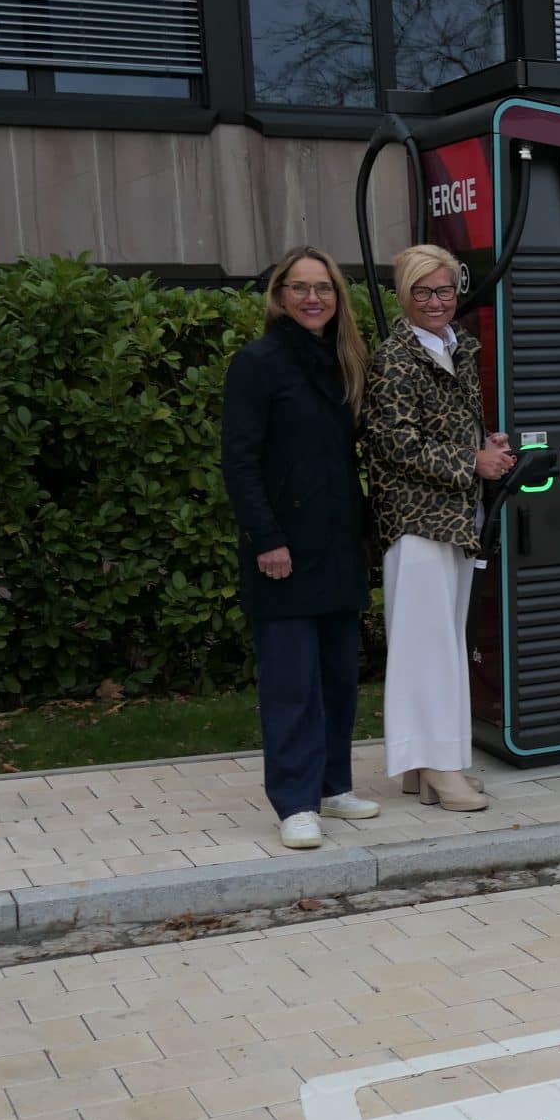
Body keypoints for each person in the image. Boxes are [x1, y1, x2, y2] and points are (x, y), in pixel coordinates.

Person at [220, 247, 378, 850]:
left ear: (338, 298)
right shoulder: (258, 363)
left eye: (325, 289)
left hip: (338, 547)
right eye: (301, 288)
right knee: (292, 682)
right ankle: (294, 801)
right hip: (282, 551)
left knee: (339, 676)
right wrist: (267, 539)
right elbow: (240, 461)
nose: (314, 299)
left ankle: (333, 784)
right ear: (280, 295)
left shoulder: (341, 363)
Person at [364, 244, 514, 812]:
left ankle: (433, 766)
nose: (435, 301)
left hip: (455, 518)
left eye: (445, 290)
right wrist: (470, 462)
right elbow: (394, 441)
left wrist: (484, 446)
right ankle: (430, 764)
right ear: (404, 295)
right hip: (416, 522)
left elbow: (447, 430)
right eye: (423, 291)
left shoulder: (457, 346)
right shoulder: (395, 357)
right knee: (423, 648)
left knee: (446, 644)